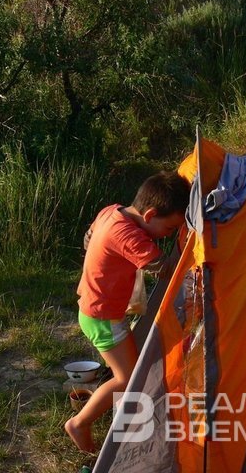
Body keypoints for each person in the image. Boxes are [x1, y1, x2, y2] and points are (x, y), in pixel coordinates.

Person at [65, 171, 190, 453]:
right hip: (103, 317)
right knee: (128, 379)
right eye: (170, 228)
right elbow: (165, 270)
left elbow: (88, 238)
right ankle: (79, 423)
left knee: (127, 371)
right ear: (150, 214)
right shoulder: (128, 236)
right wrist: (186, 245)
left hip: (98, 310)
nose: (169, 234)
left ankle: (118, 416)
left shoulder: (112, 212)